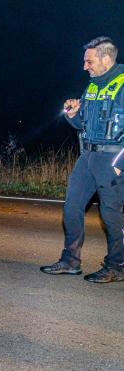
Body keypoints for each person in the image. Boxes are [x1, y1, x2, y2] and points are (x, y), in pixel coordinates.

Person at [41, 36, 123, 283]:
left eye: (89, 61)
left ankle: (117, 266)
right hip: (87, 156)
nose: (84, 66)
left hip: (112, 159)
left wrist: (120, 165)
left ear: (106, 59)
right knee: (71, 207)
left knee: (111, 216)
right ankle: (70, 261)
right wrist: (73, 114)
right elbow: (82, 124)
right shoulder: (93, 86)